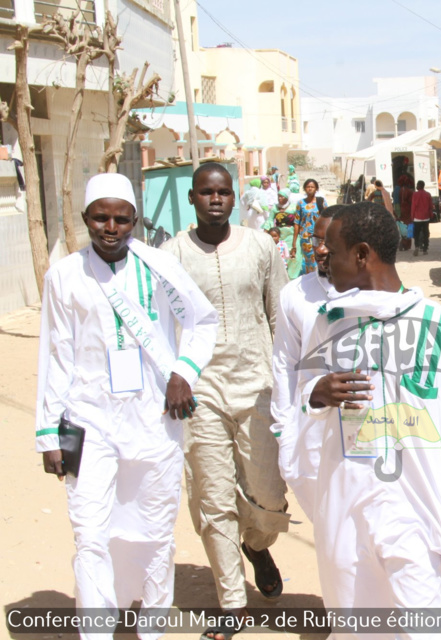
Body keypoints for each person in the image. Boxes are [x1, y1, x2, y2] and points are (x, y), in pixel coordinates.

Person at [37, 173, 218, 640]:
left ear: (135, 220)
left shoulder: (160, 266)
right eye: (101, 217)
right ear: (85, 219)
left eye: (121, 218)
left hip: (154, 419)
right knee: (90, 532)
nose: (111, 227)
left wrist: (184, 372)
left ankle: (150, 628)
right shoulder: (64, 275)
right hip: (88, 419)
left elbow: (202, 321)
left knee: (155, 529)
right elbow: (56, 355)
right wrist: (48, 432)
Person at [301, 202, 441, 632]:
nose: (322, 256)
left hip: (421, 506)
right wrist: (317, 394)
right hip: (348, 504)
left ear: (362, 255)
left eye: (333, 250)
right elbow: (302, 398)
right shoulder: (328, 323)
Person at [161, 163, 290, 640]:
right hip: (199, 390)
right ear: (192, 198)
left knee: (268, 495)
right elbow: (160, 323)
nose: (215, 199)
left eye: (223, 192)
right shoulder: (171, 254)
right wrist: (173, 376)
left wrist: (288, 383)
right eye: (205, 192)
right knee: (212, 497)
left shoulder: (259, 246)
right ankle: (232, 604)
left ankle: (256, 544)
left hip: (257, 384)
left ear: (234, 198)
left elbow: (278, 315)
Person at [270, 204, 340, 520]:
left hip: (368, 432)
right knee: (326, 524)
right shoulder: (295, 294)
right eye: (316, 240)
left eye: (330, 242)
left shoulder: (374, 293)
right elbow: (284, 363)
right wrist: (284, 430)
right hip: (312, 432)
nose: (320, 250)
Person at [293, 178, 326, 276]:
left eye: (312, 187)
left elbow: (327, 217)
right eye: (308, 187)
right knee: (309, 261)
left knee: (319, 258)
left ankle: (320, 279)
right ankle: (310, 280)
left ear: (316, 189)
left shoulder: (321, 202)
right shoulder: (300, 203)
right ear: (304, 189)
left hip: (318, 237)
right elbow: (297, 223)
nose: (310, 189)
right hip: (305, 237)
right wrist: (294, 243)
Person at [272, 189, 302, 279]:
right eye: (278, 196)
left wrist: (294, 242)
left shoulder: (294, 207)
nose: (279, 198)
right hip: (279, 236)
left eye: (282, 197)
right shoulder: (275, 208)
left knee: (294, 257)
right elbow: (269, 221)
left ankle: (292, 278)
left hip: (291, 235)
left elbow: (297, 223)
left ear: (287, 197)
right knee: (279, 256)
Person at [411, 179, 433, 257]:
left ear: (419, 186)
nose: (416, 186)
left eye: (417, 184)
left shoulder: (415, 194)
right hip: (426, 217)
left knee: (416, 233)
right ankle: (425, 249)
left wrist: (412, 216)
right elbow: (430, 206)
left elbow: (413, 206)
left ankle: (417, 246)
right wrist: (430, 215)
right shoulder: (428, 194)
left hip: (417, 217)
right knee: (426, 233)